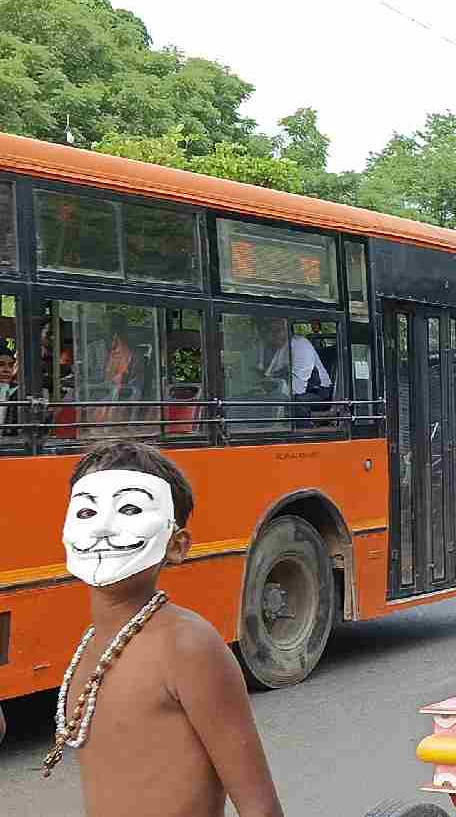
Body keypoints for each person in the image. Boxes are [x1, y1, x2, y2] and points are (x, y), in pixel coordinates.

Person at [45, 440, 284, 816]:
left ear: (177, 545)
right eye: (87, 511)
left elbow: (261, 808)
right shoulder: (93, 645)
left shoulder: (188, 646)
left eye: (129, 509)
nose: (103, 528)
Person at [257, 318, 333, 426]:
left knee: (296, 401)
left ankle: (305, 435)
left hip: (318, 392)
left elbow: (299, 384)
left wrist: (279, 397)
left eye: (277, 331)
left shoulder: (300, 345)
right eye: (270, 331)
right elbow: (270, 375)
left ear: (287, 330)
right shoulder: (281, 347)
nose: (273, 335)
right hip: (294, 390)